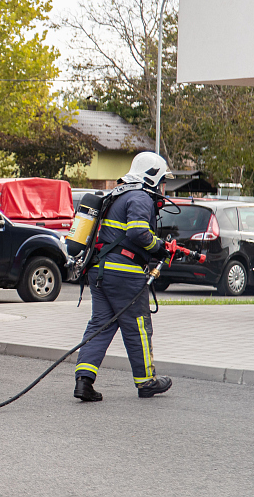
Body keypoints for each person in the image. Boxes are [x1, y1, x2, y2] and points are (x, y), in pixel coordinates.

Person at [73, 151, 174, 402]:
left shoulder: (115, 194)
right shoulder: (139, 197)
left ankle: (84, 382)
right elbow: (138, 232)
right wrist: (160, 247)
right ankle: (146, 381)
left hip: (99, 271)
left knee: (100, 325)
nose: (162, 187)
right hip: (124, 272)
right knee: (138, 325)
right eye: (162, 180)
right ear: (151, 176)